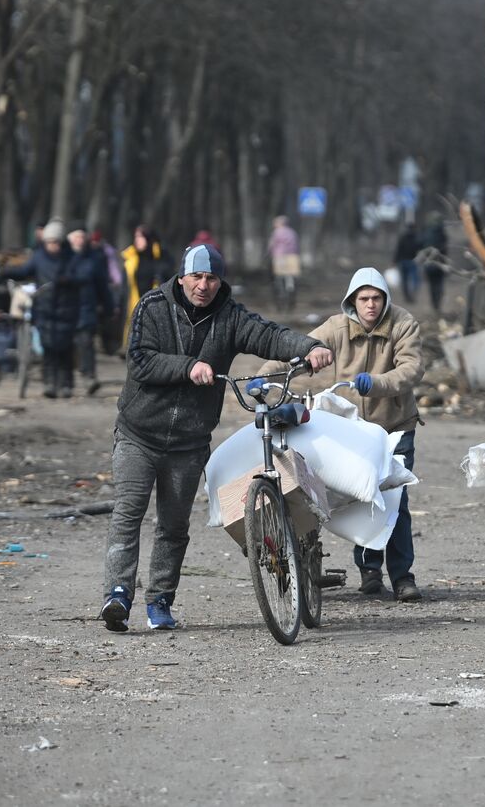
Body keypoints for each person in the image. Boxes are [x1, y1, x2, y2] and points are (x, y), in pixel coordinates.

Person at [101, 243, 334, 632]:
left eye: (211, 278)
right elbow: (140, 359)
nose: (203, 286)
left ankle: (159, 600)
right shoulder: (153, 306)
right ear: (182, 276)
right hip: (138, 434)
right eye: (196, 277)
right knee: (128, 513)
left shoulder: (229, 316)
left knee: (173, 526)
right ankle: (118, 594)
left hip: (189, 442)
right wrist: (188, 367)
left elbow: (267, 335)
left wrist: (309, 347)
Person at [262, 267, 425, 601]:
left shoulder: (403, 323)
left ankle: (402, 576)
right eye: (363, 299)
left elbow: (411, 369)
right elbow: (301, 355)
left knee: (396, 500)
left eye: (376, 298)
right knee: (361, 497)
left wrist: (377, 383)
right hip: (355, 430)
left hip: (395, 425)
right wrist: (263, 378)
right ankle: (369, 571)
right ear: (352, 301)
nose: (370, 305)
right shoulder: (336, 328)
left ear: (386, 299)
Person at [2, 218, 89, 398]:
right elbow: (25, 270)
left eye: (55, 242)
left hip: (66, 310)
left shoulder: (71, 258)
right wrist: (6, 271)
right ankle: (49, 383)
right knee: (48, 347)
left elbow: (82, 277)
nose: (52, 246)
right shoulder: (39, 257)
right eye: (48, 242)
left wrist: (68, 281)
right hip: (45, 308)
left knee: (64, 348)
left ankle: (66, 384)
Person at [68, 223, 116, 395]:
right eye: (76, 237)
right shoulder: (62, 258)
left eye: (82, 237)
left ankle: (89, 377)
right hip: (65, 309)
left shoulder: (93, 260)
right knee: (68, 345)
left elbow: (102, 286)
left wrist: (109, 307)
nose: (80, 240)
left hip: (87, 308)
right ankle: (65, 380)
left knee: (86, 342)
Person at [122, 225, 172, 344]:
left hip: (155, 308)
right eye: (136, 237)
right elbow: (125, 288)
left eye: (141, 237)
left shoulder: (162, 259)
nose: (137, 240)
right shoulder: (130, 259)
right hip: (133, 306)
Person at [91, 229, 126, 355]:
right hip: (101, 286)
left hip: (107, 286)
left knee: (106, 317)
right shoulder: (97, 252)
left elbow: (112, 269)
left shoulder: (105, 252)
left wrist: (116, 282)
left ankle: (107, 345)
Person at [268, 216, 301, 312]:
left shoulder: (276, 232)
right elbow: (297, 245)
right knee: (292, 277)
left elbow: (271, 245)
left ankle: (281, 298)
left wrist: (268, 254)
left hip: (280, 257)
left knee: (279, 278)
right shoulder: (292, 232)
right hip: (293, 257)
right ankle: (291, 293)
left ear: (279, 223)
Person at [420, 214, 448, 315]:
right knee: (439, 285)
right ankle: (437, 305)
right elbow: (445, 250)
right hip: (440, 264)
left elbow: (423, 248)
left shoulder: (427, 233)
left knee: (432, 286)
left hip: (430, 264)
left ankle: (435, 305)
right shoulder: (443, 234)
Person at [392, 224, 422, 303]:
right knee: (415, 280)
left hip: (403, 261)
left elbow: (398, 249)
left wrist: (394, 260)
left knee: (404, 281)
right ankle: (412, 294)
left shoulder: (403, 237)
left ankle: (407, 296)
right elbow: (420, 248)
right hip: (413, 261)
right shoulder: (417, 238)